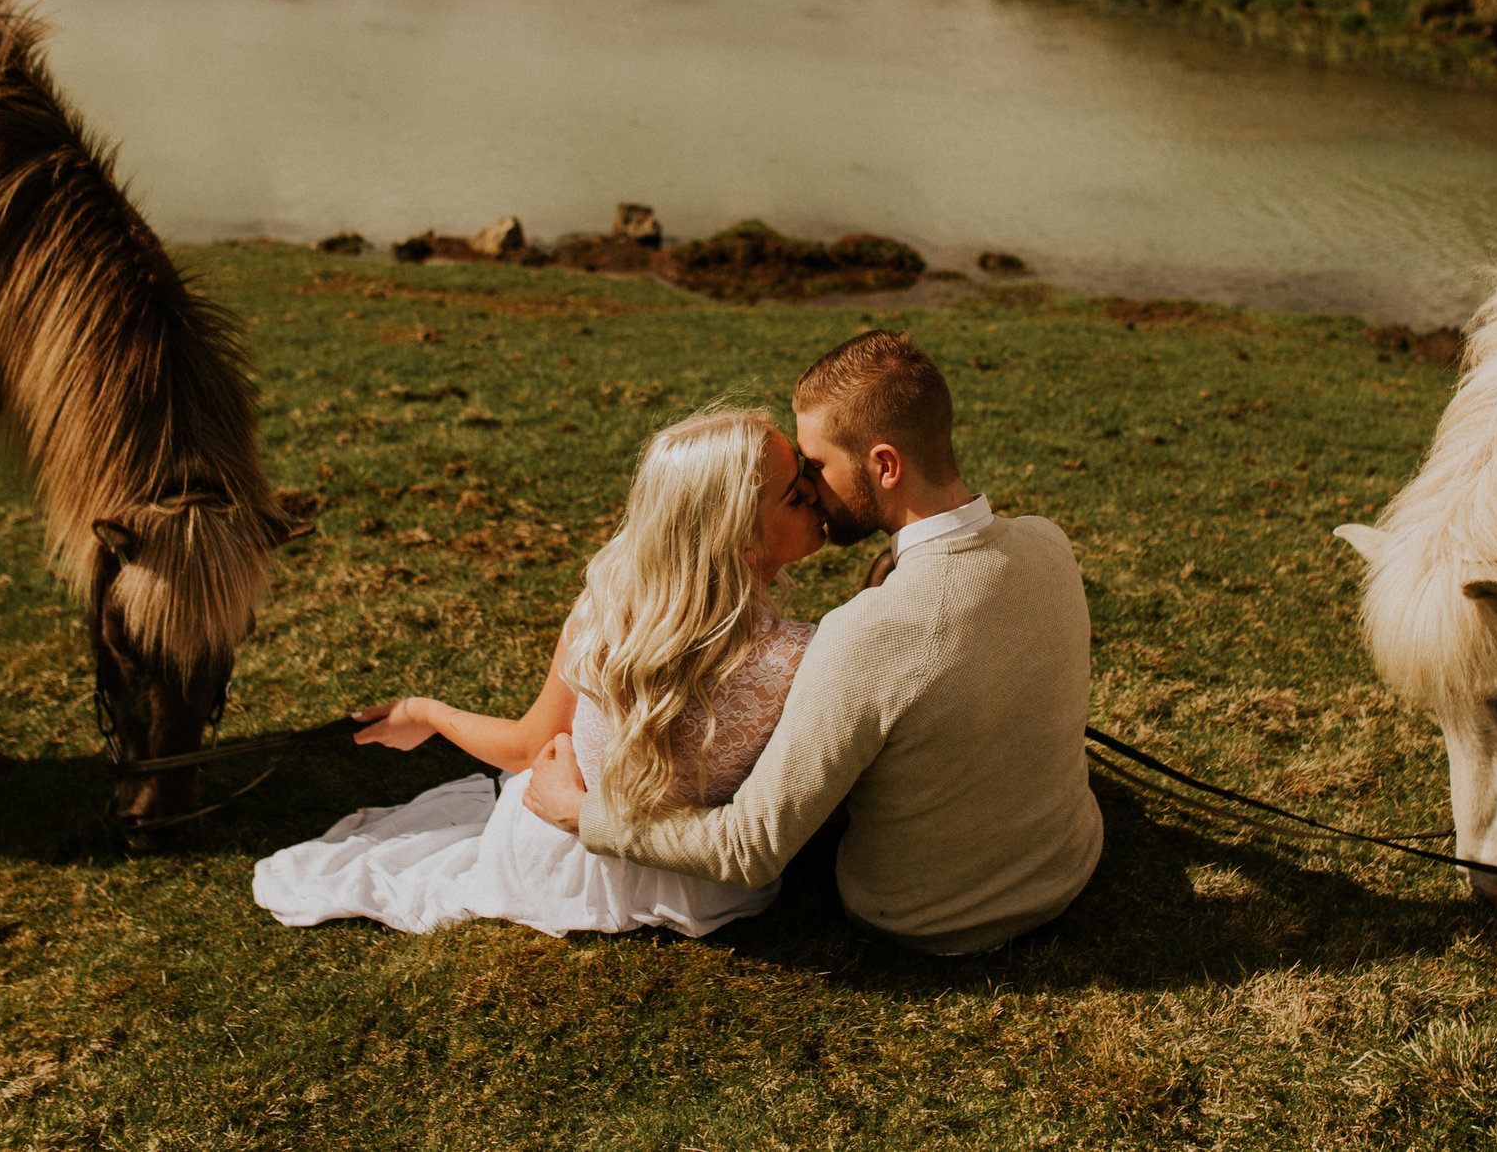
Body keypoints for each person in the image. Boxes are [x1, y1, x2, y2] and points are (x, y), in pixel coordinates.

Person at [525, 330, 1103, 955]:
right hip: (1069, 867)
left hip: (928, 918)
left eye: (818, 464)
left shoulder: (863, 637)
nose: (810, 486)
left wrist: (579, 815)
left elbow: (748, 849)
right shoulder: (1048, 542)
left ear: (885, 465)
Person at [251, 405, 827, 938]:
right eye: (796, 495)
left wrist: (426, 711)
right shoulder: (802, 657)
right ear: (743, 543)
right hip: (697, 882)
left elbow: (528, 749)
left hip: (549, 860)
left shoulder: (606, 612)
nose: (818, 496)